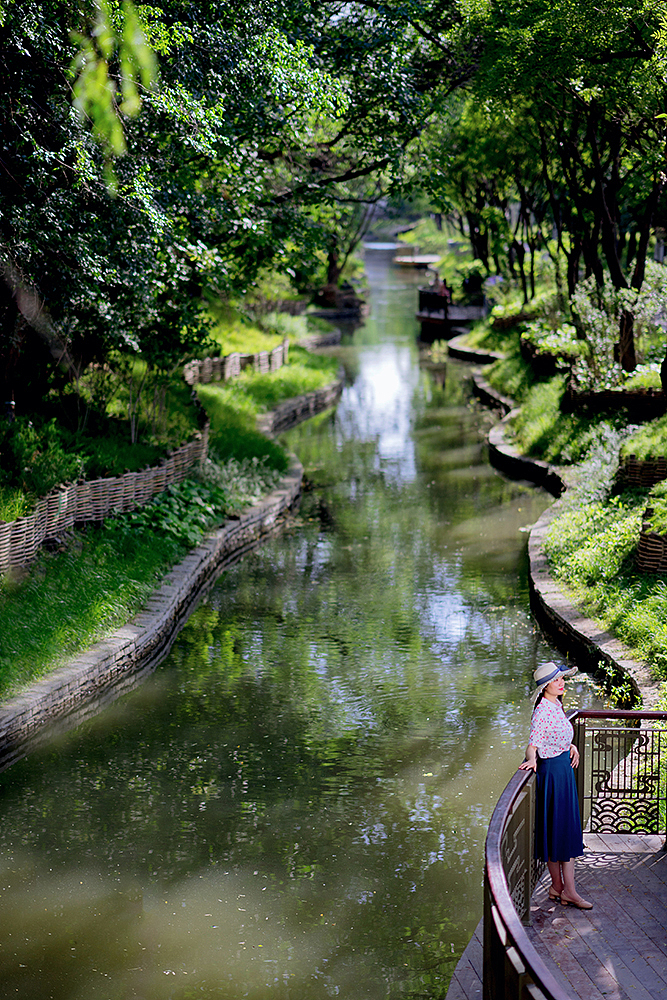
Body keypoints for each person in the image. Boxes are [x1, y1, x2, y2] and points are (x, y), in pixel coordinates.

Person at [519, 661, 593, 910]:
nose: (562, 683)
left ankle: (561, 888)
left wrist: (570, 746)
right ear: (545, 687)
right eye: (556, 680)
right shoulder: (542, 711)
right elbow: (533, 744)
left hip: (563, 772)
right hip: (552, 774)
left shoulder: (556, 705)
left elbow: (557, 734)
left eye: (562, 679)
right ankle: (565, 889)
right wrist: (531, 759)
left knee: (564, 830)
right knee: (557, 831)